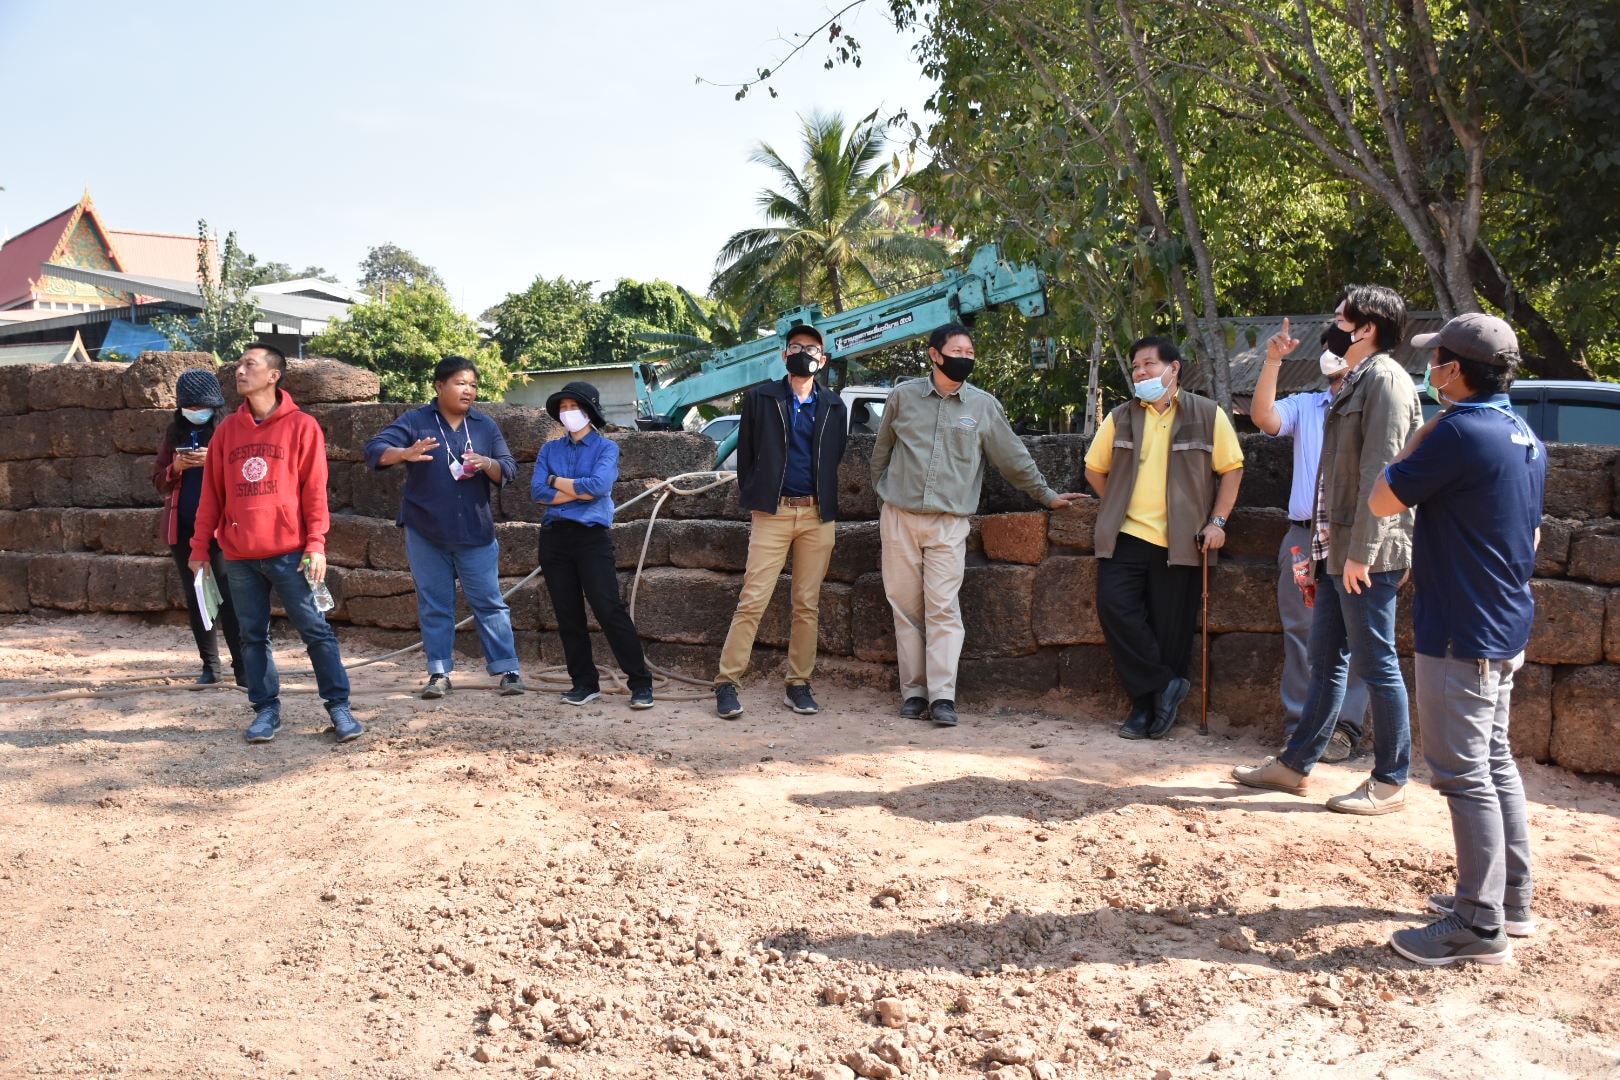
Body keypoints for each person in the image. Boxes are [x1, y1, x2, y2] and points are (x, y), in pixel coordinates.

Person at [1370, 313, 1545, 965]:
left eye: (1436, 358)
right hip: (1502, 621)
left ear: (1455, 370)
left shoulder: (1457, 432)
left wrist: (1423, 432)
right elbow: (1531, 534)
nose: (1429, 368)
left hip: (1461, 628)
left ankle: (1478, 923)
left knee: (1464, 775)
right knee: (1494, 762)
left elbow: (1383, 498)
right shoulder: (1523, 434)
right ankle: (1510, 900)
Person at [1233, 285, 1420, 813]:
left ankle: (1391, 781)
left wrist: (1363, 551)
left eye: (1341, 318)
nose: (1333, 326)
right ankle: (1295, 766)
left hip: (1363, 553)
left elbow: (1382, 471)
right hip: (1336, 548)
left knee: (1377, 663)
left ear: (1367, 328)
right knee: (1326, 658)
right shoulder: (1358, 380)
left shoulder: (1384, 379)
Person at [871, 322, 1084, 728]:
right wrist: (884, 499)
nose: (965, 358)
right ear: (935, 355)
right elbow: (881, 452)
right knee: (905, 608)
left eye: (970, 353)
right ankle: (914, 693)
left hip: (950, 522)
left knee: (943, 607)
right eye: (957, 351)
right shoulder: (903, 397)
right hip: (899, 517)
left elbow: (1012, 457)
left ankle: (942, 696)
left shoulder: (983, 407)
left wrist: (1046, 495)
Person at [189, 344, 360, 743]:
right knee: (252, 636)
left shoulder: (302, 426)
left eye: (249, 364)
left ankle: (339, 706)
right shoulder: (226, 431)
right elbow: (211, 496)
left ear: (273, 375)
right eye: (238, 364)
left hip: (291, 553)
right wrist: (199, 548)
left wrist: (315, 543)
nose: (239, 371)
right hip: (240, 555)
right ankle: (265, 710)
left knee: (316, 630)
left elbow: (314, 490)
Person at [1085, 336, 1245, 740]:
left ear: (1174, 368)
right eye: (1136, 367)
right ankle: (1158, 690)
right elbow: (1094, 469)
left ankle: (1150, 711)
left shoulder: (1208, 414)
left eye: (1149, 364)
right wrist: (1117, 503)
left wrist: (1218, 522)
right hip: (1126, 535)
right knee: (1114, 608)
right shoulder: (1120, 417)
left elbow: (1232, 469)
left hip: (1184, 539)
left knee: (1170, 631)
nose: (1141, 373)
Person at [364, 355, 523, 699]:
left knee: (490, 602)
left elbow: (509, 469)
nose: (469, 391)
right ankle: (439, 673)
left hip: (475, 532)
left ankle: (508, 670)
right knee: (435, 604)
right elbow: (375, 449)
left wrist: (488, 463)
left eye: (473, 385)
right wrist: (403, 453)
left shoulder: (484, 426)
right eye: (460, 383)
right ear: (439, 386)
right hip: (426, 531)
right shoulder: (416, 420)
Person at [713, 324, 848, 719]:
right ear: (784, 354)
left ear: (822, 359)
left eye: (811, 348)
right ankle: (727, 682)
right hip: (772, 513)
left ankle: (798, 683)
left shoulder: (833, 405)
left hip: (817, 515)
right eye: (796, 346)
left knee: (807, 604)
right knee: (752, 599)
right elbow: (747, 455)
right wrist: (759, 496)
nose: (803, 352)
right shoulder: (761, 398)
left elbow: (835, 454)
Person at [1250, 320, 1370, 760]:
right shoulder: (1306, 405)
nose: (1334, 355)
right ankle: (1301, 728)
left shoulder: (1377, 407)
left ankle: (1344, 730)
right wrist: (1272, 361)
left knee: (1358, 633)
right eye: (1329, 347)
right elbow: (1264, 417)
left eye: (1342, 346)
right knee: (1301, 631)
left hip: (1358, 539)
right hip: (1303, 538)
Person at [532, 381, 654, 709]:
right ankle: (584, 683)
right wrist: (578, 491)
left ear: (590, 411)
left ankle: (640, 682)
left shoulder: (606, 448)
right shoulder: (549, 450)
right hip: (554, 537)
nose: (568, 412)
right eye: (563, 407)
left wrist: (556, 481)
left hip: (591, 538)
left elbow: (598, 487)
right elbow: (538, 492)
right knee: (567, 613)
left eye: (574, 406)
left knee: (608, 608)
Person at [152, 368, 244, 686]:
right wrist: (175, 467)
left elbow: (245, 475)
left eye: (199, 406)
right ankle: (210, 666)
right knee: (197, 597)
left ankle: (243, 667)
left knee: (228, 597)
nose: (194, 412)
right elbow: (158, 481)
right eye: (188, 407)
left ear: (214, 405)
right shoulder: (174, 434)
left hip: (221, 529)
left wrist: (215, 460)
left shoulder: (230, 430)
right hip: (183, 529)